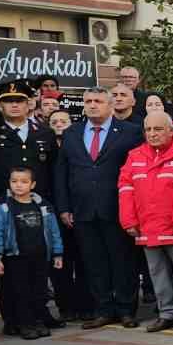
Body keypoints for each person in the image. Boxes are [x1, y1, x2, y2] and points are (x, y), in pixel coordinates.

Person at [55, 88, 143, 329]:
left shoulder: (130, 132)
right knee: (94, 262)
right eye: (88, 101)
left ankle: (126, 309)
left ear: (110, 104)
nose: (92, 105)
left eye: (98, 101)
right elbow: (62, 172)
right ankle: (103, 308)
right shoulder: (72, 133)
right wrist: (64, 207)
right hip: (82, 210)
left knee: (123, 260)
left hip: (117, 208)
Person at [119, 111, 173, 333]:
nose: (152, 134)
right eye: (148, 130)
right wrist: (128, 220)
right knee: (157, 273)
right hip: (147, 226)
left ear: (171, 131)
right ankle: (167, 313)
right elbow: (125, 188)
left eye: (158, 129)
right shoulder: (135, 155)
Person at [0, 167, 63, 339]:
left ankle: (38, 320)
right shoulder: (4, 207)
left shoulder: (43, 205)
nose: (18, 185)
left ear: (33, 184)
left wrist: (58, 253)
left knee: (40, 290)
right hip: (16, 257)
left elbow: (54, 230)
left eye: (24, 182)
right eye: (14, 181)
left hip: (39, 256)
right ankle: (24, 323)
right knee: (20, 291)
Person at [0, 79, 56, 201]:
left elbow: (55, 171)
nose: (14, 105)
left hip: (39, 201)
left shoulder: (45, 133)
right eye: (8, 101)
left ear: (28, 104)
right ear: (0, 106)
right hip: (2, 202)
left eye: (19, 101)